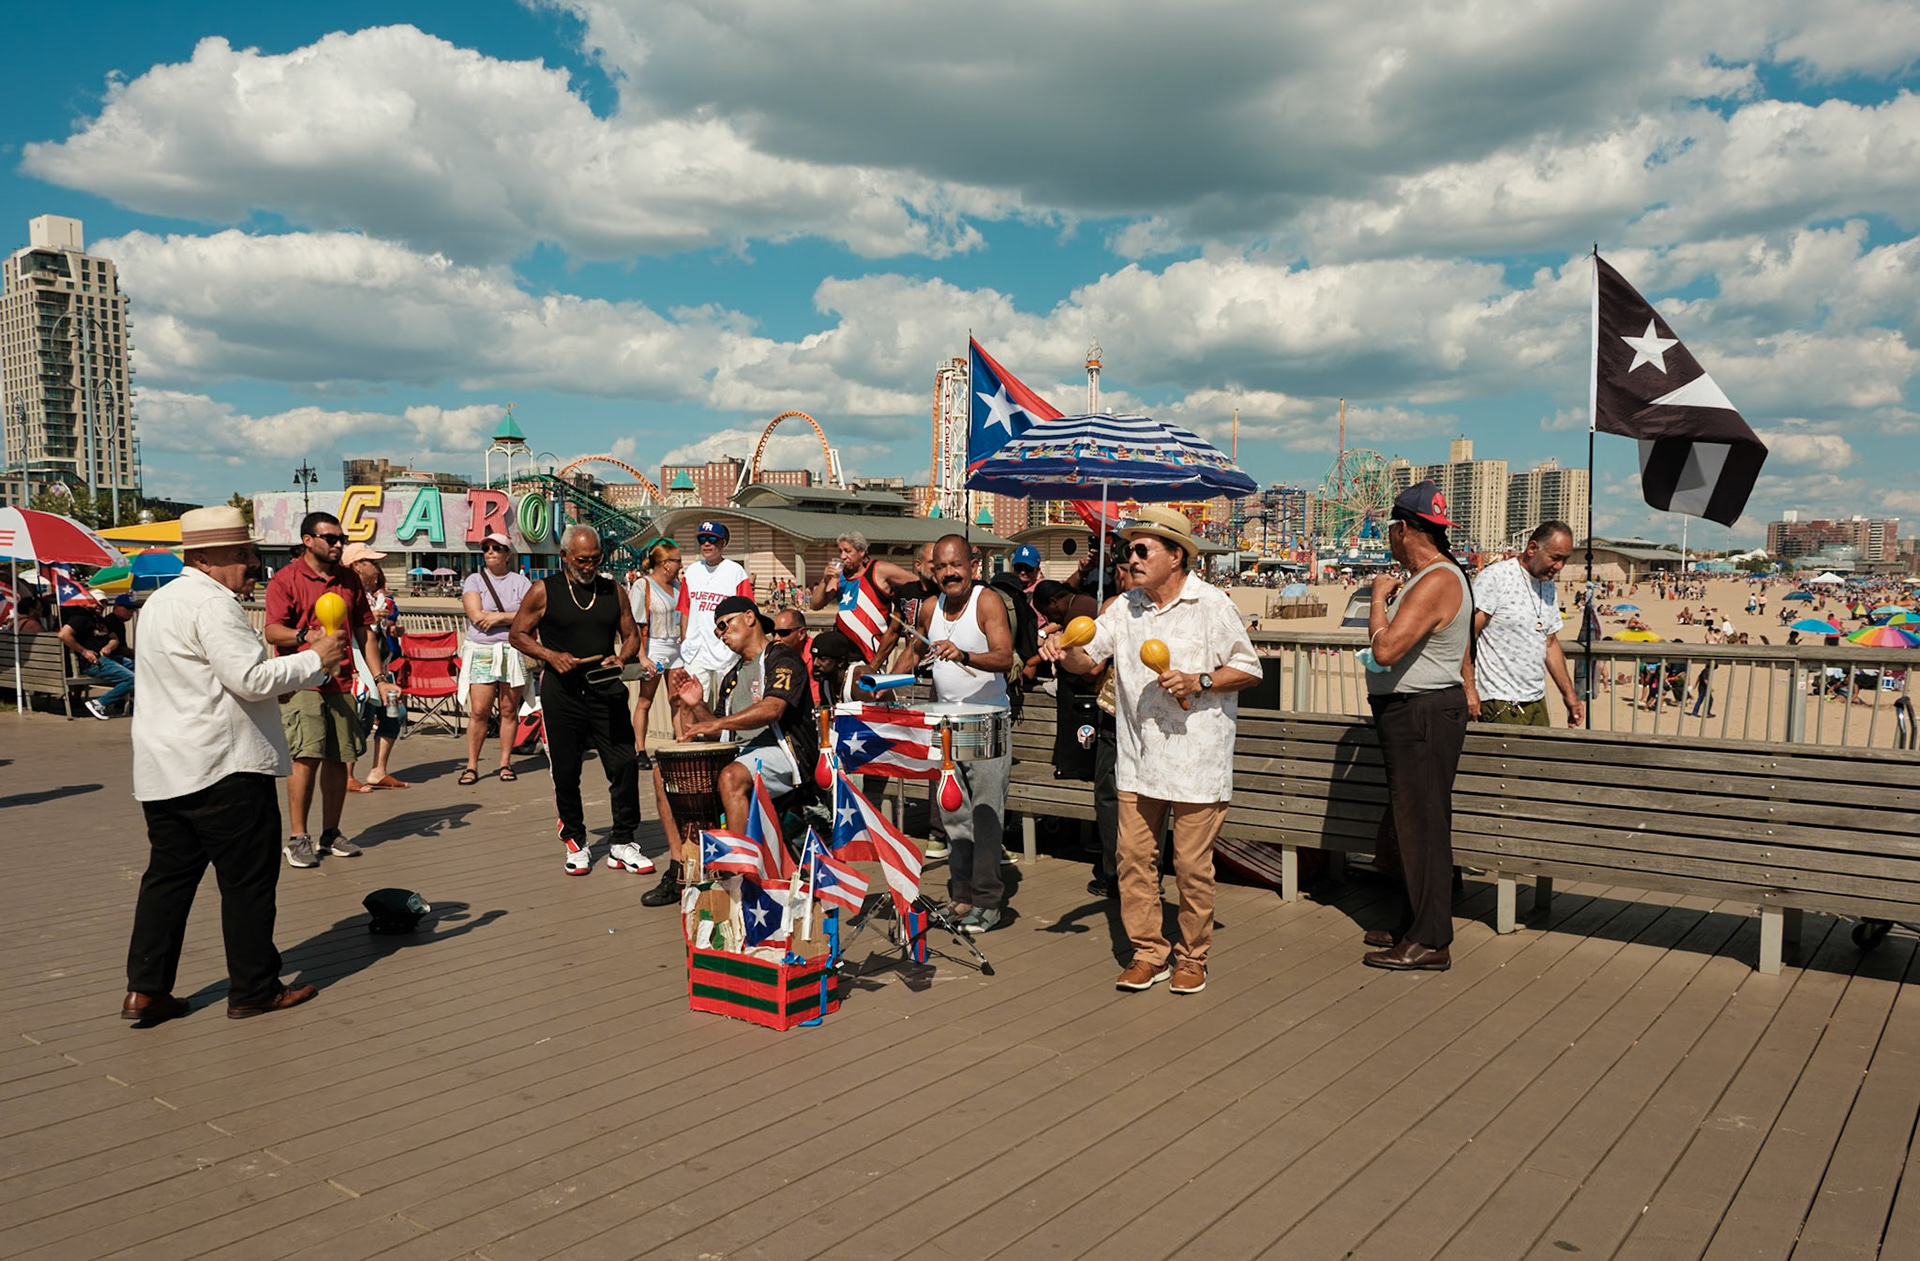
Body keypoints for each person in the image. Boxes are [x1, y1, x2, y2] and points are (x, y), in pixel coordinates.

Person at [120, 505, 346, 1023]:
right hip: (224, 767)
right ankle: (254, 987)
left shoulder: (160, 603)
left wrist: (277, 684)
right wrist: (316, 659)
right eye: (241, 554)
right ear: (204, 558)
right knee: (247, 882)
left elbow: (211, 681)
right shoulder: (213, 604)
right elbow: (247, 678)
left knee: (168, 880)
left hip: (165, 766)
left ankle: (146, 987)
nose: (252, 563)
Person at [1042, 507, 1261, 994]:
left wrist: (1200, 679)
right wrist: (1064, 646)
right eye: (1128, 549)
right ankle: (1148, 952)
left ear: (1176, 556)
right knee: (1132, 862)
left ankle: (1192, 956)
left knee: (1190, 868)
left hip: (1198, 763)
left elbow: (1249, 668)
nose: (1131, 558)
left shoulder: (1212, 605)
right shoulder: (1123, 607)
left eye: (1142, 549)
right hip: (1138, 761)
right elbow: (1087, 659)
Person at [1362, 482, 1476, 973]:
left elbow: (1386, 651)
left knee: (1423, 825)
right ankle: (1415, 922)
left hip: (1423, 713)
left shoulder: (1434, 580)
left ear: (1402, 528)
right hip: (1419, 711)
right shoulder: (1434, 577)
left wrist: (1375, 602)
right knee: (1413, 823)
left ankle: (1431, 940)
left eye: (1391, 530)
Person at [509, 525, 651, 877]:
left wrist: (622, 658)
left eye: (595, 559)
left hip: (606, 689)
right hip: (563, 692)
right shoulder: (544, 591)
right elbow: (517, 634)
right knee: (567, 768)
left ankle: (622, 841)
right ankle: (574, 837)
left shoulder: (613, 590)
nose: (589, 566)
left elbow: (631, 635)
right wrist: (550, 655)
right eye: (582, 560)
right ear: (565, 557)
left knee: (624, 764)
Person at [263, 512, 400, 868]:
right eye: (331, 538)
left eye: (341, 538)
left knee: (340, 757)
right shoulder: (286, 579)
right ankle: (297, 837)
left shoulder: (349, 579)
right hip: (302, 680)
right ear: (309, 540)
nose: (338, 544)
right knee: (306, 756)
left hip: (340, 680)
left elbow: (364, 633)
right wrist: (304, 637)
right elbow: (272, 631)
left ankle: (331, 832)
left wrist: (380, 678)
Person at [896, 535, 1017, 933]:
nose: (949, 573)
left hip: (986, 722)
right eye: (941, 567)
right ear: (932, 572)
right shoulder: (930, 608)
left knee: (985, 815)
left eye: (956, 566)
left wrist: (964, 654)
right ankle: (961, 897)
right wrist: (881, 680)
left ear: (972, 566)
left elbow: (1003, 657)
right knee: (953, 815)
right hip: (944, 726)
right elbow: (912, 653)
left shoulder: (987, 601)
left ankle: (988, 900)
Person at [671, 594, 816, 838]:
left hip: (787, 753)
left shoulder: (782, 657)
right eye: (718, 632)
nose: (721, 635)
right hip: (742, 754)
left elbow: (772, 709)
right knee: (668, 776)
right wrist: (697, 705)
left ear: (749, 617)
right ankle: (681, 863)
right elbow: (721, 733)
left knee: (731, 776)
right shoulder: (731, 677)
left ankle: (741, 869)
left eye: (723, 625)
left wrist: (716, 722)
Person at [1467, 521, 1584, 728]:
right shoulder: (1496, 578)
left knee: (1538, 758)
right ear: (1532, 549)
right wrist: (1469, 689)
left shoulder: (1548, 587)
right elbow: (1466, 636)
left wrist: (1569, 695)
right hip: (1497, 700)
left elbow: (1550, 643)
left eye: (1565, 560)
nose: (1559, 566)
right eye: (1555, 558)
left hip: (1536, 699)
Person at [459, 531, 533, 785]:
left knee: (509, 710)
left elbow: (531, 614)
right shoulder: (474, 580)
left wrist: (498, 617)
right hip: (482, 650)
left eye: (497, 548)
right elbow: (475, 614)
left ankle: (505, 763)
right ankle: (471, 765)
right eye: (487, 548)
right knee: (479, 710)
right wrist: (511, 616)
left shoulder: (521, 582)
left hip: (513, 651)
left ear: (507, 554)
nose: (491, 551)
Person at [341, 542, 407, 793]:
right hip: (361, 670)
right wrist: (371, 619)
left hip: (380, 671)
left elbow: (373, 633)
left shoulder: (372, 596)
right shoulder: (346, 594)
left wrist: (389, 629)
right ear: (357, 565)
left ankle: (378, 770)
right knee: (362, 718)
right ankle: (347, 775)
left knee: (396, 713)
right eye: (373, 563)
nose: (378, 569)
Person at [808, 530, 917, 666]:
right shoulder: (839, 577)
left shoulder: (879, 570)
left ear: (861, 552)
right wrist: (824, 580)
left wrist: (908, 613)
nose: (843, 556)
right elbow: (815, 605)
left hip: (872, 648)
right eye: (840, 551)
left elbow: (916, 583)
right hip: (844, 649)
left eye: (848, 551)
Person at [680, 520, 754, 703]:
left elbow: (748, 612)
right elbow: (685, 610)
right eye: (702, 539)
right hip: (696, 647)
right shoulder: (691, 571)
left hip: (726, 646)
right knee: (693, 700)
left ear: (723, 543)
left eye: (712, 539)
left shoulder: (735, 571)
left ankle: (725, 733)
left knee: (728, 699)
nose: (706, 544)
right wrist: (685, 640)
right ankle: (697, 732)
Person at [626, 537, 684, 771]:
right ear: (666, 563)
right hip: (654, 646)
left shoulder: (679, 586)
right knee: (645, 699)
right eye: (678, 560)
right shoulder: (643, 586)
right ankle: (640, 749)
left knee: (677, 699)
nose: (681, 564)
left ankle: (681, 744)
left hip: (676, 646)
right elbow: (635, 624)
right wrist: (642, 655)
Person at [59, 594, 135, 720]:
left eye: (104, 602)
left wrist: (109, 647)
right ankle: (99, 703)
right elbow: (63, 635)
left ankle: (131, 699)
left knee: (141, 667)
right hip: (91, 662)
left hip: (105, 658)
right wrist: (84, 652)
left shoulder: (98, 620)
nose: (101, 605)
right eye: (97, 601)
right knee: (133, 679)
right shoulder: (80, 618)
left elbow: (114, 639)